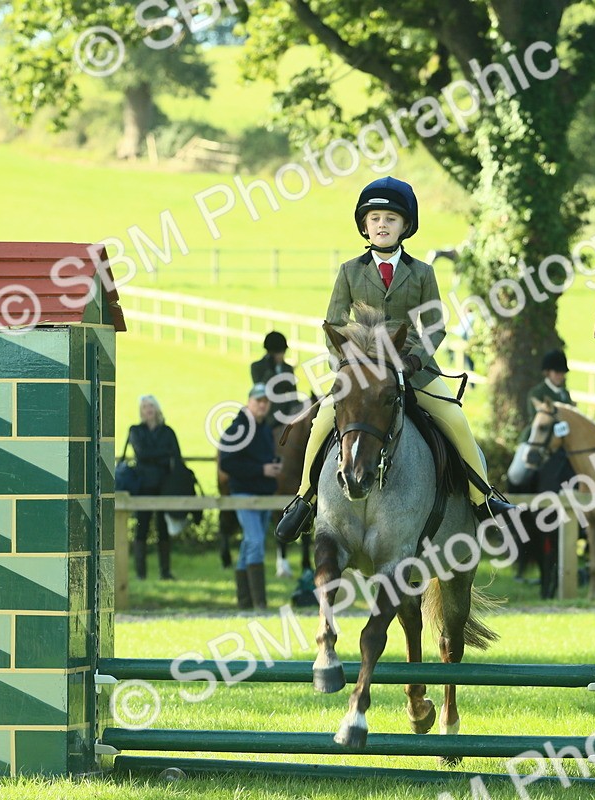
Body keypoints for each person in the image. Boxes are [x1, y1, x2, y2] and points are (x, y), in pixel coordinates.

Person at [274, 177, 513, 544]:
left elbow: (434, 326)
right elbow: (334, 323)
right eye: (375, 218)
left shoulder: (422, 273)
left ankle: (484, 502)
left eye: (390, 218)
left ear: (405, 226)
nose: (382, 224)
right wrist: (346, 359)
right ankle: (304, 499)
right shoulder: (349, 272)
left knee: (455, 420)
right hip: (362, 369)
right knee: (322, 421)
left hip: (411, 366)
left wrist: (416, 359)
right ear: (365, 226)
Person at [219, 384, 282, 609]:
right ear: (249, 403)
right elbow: (226, 461)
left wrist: (271, 467)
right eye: (258, 401)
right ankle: (259, 603)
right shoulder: (238, 428)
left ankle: (245, 603)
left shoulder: (264, 428)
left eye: (265, 401)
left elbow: (259, 458)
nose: (263, 405)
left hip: (263, 493)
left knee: (250, 544)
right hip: (244, 493)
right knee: (255, 542)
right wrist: (261, 470)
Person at [127, 395, 182, 581]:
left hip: (164, 485)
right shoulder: (135, 430)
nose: (148, 409)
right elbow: (141, 453)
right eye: (144, 406)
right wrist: (162, 454)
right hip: (143, 485)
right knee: (141, 528)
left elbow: (175, 455)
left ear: (156, 408)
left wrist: (154, 455)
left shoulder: (167, 431)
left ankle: (165, 572)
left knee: (163, 528)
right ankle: (140, 573)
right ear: (141, 411)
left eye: (151, 405)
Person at [251, 331, 298, 426]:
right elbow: (261, 390)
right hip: (266, 414)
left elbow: (293, 394)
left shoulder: (287, 368)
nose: (281, 356)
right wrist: (270, 371)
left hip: (286, 413)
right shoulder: (257, 367)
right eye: (278, 353)